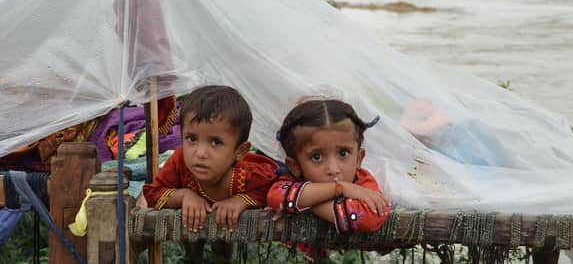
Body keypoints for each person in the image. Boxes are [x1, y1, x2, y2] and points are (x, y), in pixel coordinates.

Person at [140, 85, 278, 259]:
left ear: (240, 151)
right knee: (191, 246)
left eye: (216, 142)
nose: (200, 153)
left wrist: (240, 200)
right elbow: (152, 193)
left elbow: (274, 190)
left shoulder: (249, 174)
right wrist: (183, 196)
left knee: (225, 247)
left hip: (230, 230)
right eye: (191, 139)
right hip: (190, 226)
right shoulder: (179, 161)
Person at [268, 99, 390, 239]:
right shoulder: (293, 178)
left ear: (358, 158)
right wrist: (340, 188)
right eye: (317, 157)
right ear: (294, 166)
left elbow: (370, 217)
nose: (333, 169)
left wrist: (307, 204)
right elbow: (275, 196)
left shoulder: (363, 183)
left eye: (343, 153)